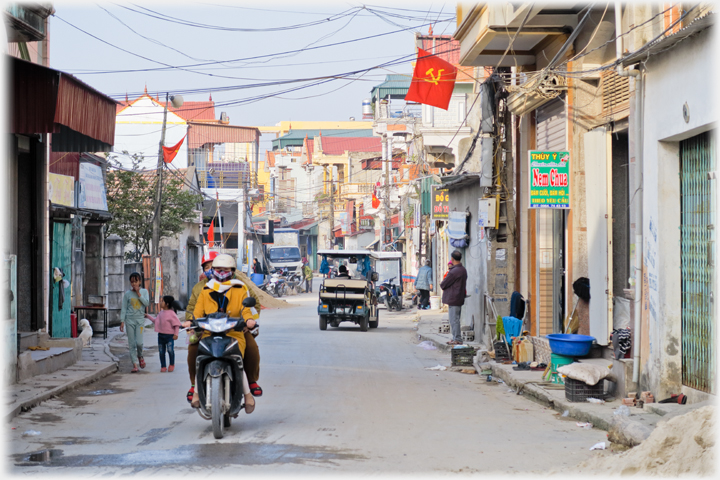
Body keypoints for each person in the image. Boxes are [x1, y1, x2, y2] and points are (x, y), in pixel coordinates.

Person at [183, 251, 263, 405]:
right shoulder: (203, 289)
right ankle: (195, 385)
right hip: (208, 329)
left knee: (251, 348)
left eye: (225, 269)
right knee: (194, 349)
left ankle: (251, 383)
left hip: (235, 328)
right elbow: (195, 309)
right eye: (214, 268)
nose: (220, 273)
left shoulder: (241, 287)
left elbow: (250, 307)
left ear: (232, 271)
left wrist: (249, 321)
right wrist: (190, 322)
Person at [120, 272, 150, 373]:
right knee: (131, 343)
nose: (134, 284)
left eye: (136, 281)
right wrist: (122, 321)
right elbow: (124, 308)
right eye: (132, 282)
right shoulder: (127, 294)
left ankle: (140, 356)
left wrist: (139, 294)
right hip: (129, 320)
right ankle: (135, 364)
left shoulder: (144, 292)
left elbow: (146, 303)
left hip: (140, 320)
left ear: (140, 281)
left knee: (139, 343)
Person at [145, 295, 182, 372]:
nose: (161, 303)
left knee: (170, 351)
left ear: (167, 304)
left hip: (169, 336)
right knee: (161, 352)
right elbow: (156, 321)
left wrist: (176, 334)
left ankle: (171, 364)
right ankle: (163, 366)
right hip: (161, 336)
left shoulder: (172, 314)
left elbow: (177, 325)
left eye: (162, 301)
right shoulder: (161, 313)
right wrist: (148, 316)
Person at [440, 250, 468, 346]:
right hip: (459, 297)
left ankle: (457, 339)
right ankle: (455, 338)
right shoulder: (463, 270)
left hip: (453, 298)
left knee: (454, 319)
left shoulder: (454, 271)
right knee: (455, 319)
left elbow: (443, 284)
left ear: (452, 259)